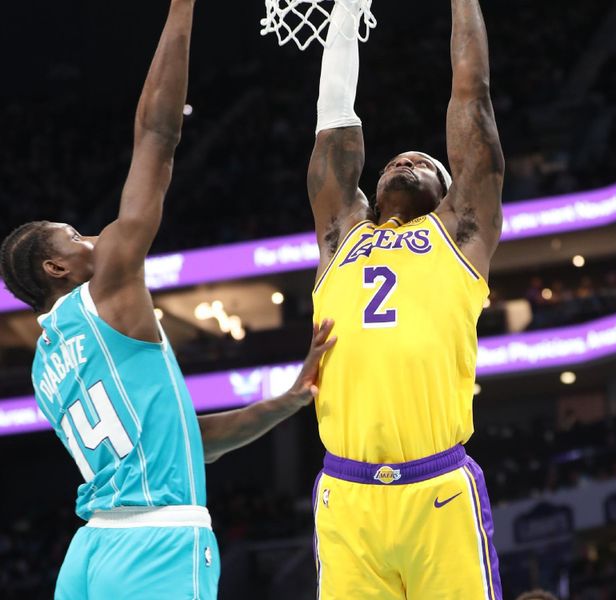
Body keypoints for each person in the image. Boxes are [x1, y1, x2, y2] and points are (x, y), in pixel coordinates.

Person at [0, 1, 336, 597]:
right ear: (57, 267)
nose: (97, 237)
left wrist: (287, 401)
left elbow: (189, 441)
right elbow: (158, 133)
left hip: (92, 549)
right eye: (78, 238)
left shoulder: (44, 365)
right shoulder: (108, 290)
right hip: (157, 542)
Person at [305, 0, 504, 597]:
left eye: (424, 161)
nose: (405, 159)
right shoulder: (343, 234)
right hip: (346, 497)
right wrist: (342, 18)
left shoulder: (461, 233)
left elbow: (472, 96)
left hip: (438, 487)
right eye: (395, 159)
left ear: (450, 195)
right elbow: (333, 121)